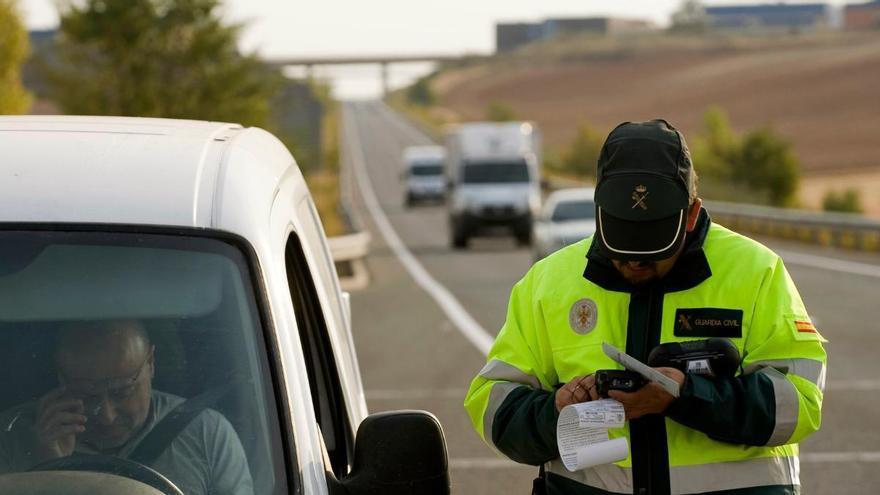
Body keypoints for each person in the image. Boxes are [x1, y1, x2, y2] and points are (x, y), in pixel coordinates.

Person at [464, 120, 827, 495]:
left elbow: (799, 405)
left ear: (690, 214)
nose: (635, 262)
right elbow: (493, 409)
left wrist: (687, 395)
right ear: (600, 211)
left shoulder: (757, 272)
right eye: (622, 244)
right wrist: (555, 410)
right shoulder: (547, 282)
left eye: (652, 247)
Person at [0, 319, 253, 495]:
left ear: (151, 363)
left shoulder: (207, 434)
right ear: (61, 377)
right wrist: (45, 470)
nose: (107, 415)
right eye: (86, 394)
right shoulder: (11, 440)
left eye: (122, 392)